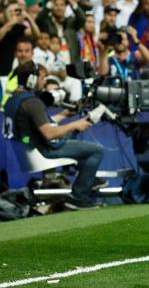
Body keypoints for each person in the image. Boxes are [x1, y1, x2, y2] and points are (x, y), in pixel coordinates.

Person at [3, 61, 103, 209]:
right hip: (41, 152)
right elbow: (48, 133)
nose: (44, 83)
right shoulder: (32, 102)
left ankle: (87, 178)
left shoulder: (12, 100)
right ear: (32, 79)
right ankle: (79, 196)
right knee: (96, 150)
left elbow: (37, 126)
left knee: (74, 138)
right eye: (42, 78)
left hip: (27, 149)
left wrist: (64, 114)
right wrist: (76, 124)